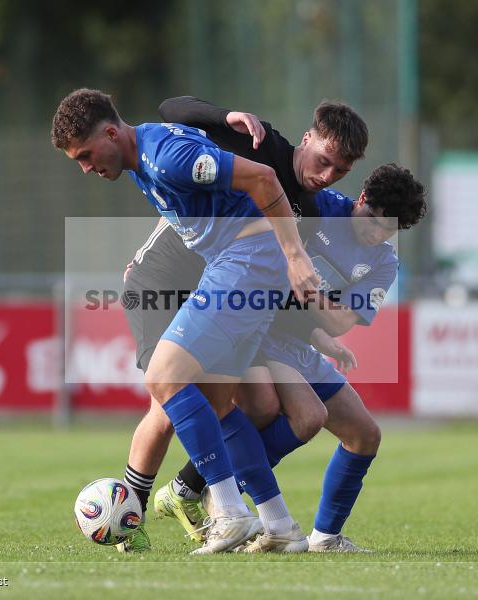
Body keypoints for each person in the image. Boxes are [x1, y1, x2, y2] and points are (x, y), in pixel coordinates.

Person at [51, 88, 318, 554]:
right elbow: (176, 107)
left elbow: (264, 177)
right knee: (219, 404)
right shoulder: (143, 157)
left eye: (87, 155)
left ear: (112, 134)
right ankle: (280, 526)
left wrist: (295, 257)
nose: (87, 167)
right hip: (245, 266)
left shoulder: (166, 157)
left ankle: (231, 513)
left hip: (246, 263)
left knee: (164, 377)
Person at [117, 96, 369, 551]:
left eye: (340, 172)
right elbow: (172, 110)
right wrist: (223, 116)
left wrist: (315, 332)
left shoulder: (308, 215)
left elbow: (279, 282)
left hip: (221, 291)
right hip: (164, 277)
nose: (327, 175)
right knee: (167, 393)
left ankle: (236, 509)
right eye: (324, 161)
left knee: (256, 405)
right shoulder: (260, 143)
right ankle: (129, 520)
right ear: (306, 139)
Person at [167, 164, 428, 552]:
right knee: (303, 416)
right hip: (258, 328)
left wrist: (300, 281)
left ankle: (324, 537)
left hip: (298, 341)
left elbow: (340, 321)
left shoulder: (384, 263)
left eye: (387, 230)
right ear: (361, 200)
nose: (376, 234)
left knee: (364, 434)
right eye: (372, 220)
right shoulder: (316, 206)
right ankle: (219, 496)